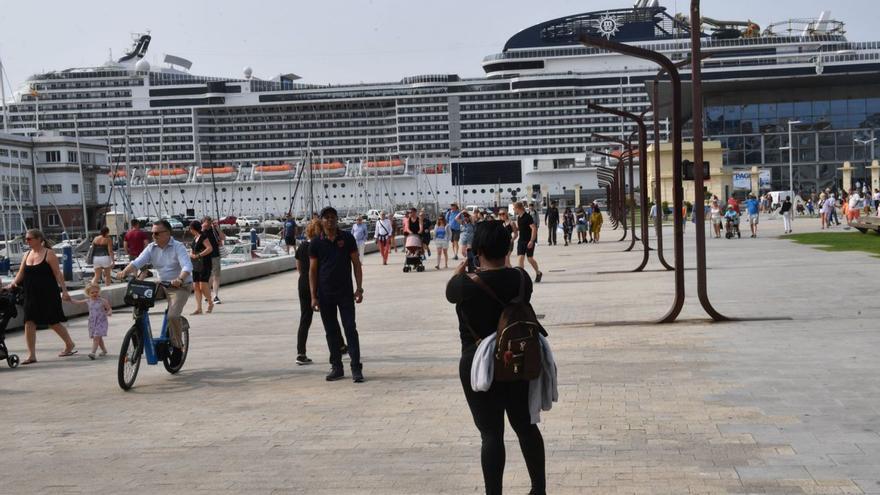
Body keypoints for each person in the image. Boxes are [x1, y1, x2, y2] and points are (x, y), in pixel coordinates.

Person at [445, 221, 546, 495]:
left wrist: (461, 270)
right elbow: (509, 278)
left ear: (476, 250)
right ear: (508, 246)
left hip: (478, 365)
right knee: (526, 427)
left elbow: (450, 291)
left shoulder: (463, 285)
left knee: (490, 434)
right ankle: (539, 489)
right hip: (518, 359)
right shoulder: (522, 278)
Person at [309, 207, 365, 383]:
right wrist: (313, 296)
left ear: (337, 220)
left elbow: (356, 264)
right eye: (327, 218)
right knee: (331, 331)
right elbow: (312, 270)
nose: (330, 221)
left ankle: (356, 368)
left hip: (345, 293)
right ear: (322, 221)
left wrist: (359, 288)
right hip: (325, 294)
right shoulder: (316, 243)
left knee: (350, 329)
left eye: (333, 217)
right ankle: (337, 367)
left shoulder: (347, 238)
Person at [117, 220, 192, 350]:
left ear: (167, 233)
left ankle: (178, 346)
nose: (153, 236)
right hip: (162, 284)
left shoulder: (178, 246)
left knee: (173, 316)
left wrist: (180, 279)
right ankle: (139, 332)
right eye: (152, 233)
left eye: (156, 233)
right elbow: (137, 262)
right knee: (137, 298)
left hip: (179, 286)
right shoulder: (151, 248)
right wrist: (124, 272)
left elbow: (187, 265)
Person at [8, 229, 76, 364]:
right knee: (29, 322)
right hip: (30, 293)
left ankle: (69, 344)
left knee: (53, 322)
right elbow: (21, 274)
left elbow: (58, 274)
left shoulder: (49, 254)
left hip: (48, 293)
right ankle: (31, 355)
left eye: (29, 239)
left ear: (39, 239)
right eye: (26, 239)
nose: (27, 241)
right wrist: (12, 284)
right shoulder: (27, 254)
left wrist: (65, 291)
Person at [294, 220, 324, 365]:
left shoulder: (302, 246)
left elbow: (298, 267)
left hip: (303, 283)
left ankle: (301, 353)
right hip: (318, 283)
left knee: (305, 318)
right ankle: (340, 346)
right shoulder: (319, 246)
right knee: (329, 316)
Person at [69, 283, 111, 360]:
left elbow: (109, 308)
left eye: (96, 292)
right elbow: (77, 302)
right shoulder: (88, 301)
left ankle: (93, 353)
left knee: (96, 337)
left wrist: (109, 312)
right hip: (92, 322)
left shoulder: (103, 301)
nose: (95, 293)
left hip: (101, 322)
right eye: (92, 292)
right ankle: (104, 350)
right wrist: (70, 299)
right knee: (98, 338)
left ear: (99, 291)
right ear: (88, 294)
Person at [188, 220, 213, 315]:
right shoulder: (195, 237)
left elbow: (210, 248)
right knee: (196, 286)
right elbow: (192, 249)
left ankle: (210, 303)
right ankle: (199, 308)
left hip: (204, 263)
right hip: (195, 264)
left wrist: (199, 255)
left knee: (203, 285)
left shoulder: (203, 236)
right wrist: (191, 254)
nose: (189, 230)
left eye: (190, 228)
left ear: (193, 228)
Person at [513, 202, 542, 283]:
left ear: (518, 208)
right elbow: (521, 228)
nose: (513, 210)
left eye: (514, 208)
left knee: (530, 259)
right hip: (521, 241)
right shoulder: (519, 217)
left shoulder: (528, 217)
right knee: (520, 258)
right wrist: (514, 228)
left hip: (529, 241)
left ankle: (538, 273)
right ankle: (521, 277)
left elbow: (534, 228)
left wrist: (532, 241)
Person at [202, 217, 225, 304]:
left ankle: (215, 296)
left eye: (209, 223)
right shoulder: (201, 232)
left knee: (216, 276)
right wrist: (202, 228)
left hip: (215, 256)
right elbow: (196, 241)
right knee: (207, 277)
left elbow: (223, 238)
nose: (208, 225)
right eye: (206, 223)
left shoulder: (214, 230)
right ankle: (208, 296)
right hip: (205, 257)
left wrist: (217, 228)